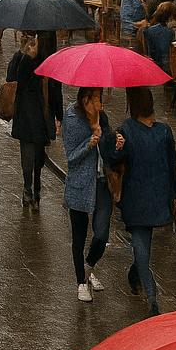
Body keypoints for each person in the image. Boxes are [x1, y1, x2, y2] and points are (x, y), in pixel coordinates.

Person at [112, 87, 176, 317]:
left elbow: (115, 161)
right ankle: (141, 283)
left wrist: (116, 147)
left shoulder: (127, 130)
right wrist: (175, 194)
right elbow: (173, 167)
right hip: (158, 198)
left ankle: (150, 296)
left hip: (135, 199)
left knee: (142, 247)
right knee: (143, 247)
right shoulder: (164, 132)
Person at [63, 87, 115, 303]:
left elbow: (109, 147)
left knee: (101, 234)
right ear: (86, 100)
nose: (100, 104)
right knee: (79, 236)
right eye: (97, 99)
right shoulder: (72, 119)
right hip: (81, 184)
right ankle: (80, 282)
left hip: (102, 183)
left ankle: (88, 266)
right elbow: (70, 157)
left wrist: (115, 141)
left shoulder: (102, 118)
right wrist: (89, 144)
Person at [7, 33, 58, 207]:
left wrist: (58, 116)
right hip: (26, 117)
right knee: (28, 158)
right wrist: (24, 56)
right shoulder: (21, 59)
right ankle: (28, 189)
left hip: (42, 117)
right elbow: (12, 81)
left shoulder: (48, 62)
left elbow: (55, 91)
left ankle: (35, 190)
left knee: (38, 159)